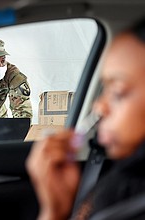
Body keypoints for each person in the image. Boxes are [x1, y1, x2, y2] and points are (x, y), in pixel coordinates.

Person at [26, 19, 145, 220]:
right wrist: (56, 209)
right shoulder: (126, 181)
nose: (99, 107)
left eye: (117, 92)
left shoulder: (128, 195)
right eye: (104, 88)